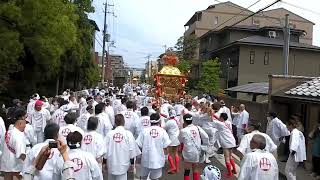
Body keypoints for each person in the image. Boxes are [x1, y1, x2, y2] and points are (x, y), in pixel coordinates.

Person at [105, 114, 141, 180]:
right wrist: (132, 163)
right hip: (123, 164)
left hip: (111, 163)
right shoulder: (128, 134)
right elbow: (132, 150)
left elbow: (105, 150)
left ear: (115, 123)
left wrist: (104, 162)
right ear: (124, 122)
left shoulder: (109, 134)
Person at [136, 113, 171, 180]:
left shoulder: (144, 131)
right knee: (155, 178)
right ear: (159, 121)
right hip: (158, 160)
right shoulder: (162, 131)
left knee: (143, 177)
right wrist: (166, 157)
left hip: (145, 158)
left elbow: (139, 145)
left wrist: (139, 157)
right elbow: (166, 147)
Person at [179, 114, 209, 180]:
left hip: (188, 152)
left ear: (184, 121)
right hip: (197, 151)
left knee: (187, 170)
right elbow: (206, 137)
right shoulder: (197, 127)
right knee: (195, 169)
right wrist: (204, 146)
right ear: (192, 120)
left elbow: (180, 140)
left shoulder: (183, 131)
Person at [0, 108, 27, 180]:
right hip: (16, 165)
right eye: (24, 124)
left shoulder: (7, 132)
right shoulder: (18, 135)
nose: (25, 126)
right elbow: (21, 153)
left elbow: (1, 146)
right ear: (20, 123)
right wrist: (28, 162)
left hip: (6, 163)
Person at [212, 113, 236, 177]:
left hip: (226, 142)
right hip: (232, 141)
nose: (219, 117)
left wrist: (211, 114)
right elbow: (218, 119)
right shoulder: (228, 122)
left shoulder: (220, 124)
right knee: (230, 156)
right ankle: (234, 169)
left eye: (220, 117)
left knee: (227, 158)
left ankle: (230, 173)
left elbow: (212, 119)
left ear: (222, 118)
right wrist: (214, 114)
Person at [165, 109, 181, 174]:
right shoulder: (177, 120)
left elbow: (164, 129)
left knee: (169, 153)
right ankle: (177, 169)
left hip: (171, 139)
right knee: (176, 153)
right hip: (177, 138)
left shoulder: (169, 122)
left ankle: (173, 167)